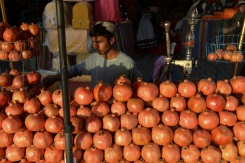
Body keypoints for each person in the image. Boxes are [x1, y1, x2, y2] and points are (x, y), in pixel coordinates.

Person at [42, 21, 140, 89]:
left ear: (111, 40)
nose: (96, 46)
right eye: (93, 42)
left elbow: (138, 87)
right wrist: (55, 78)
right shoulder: (94, 59)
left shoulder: (128, 64)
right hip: (97, 109)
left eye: (99, 42)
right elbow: (74, 70)